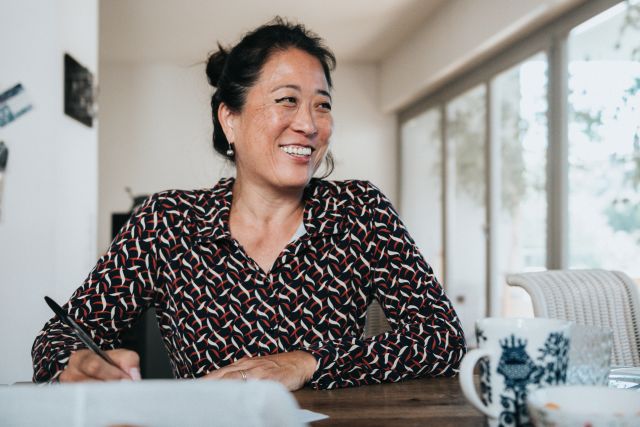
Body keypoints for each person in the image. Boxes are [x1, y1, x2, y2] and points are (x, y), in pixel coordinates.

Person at [32, 18, 466, 390]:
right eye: (287, 100)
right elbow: (55, 340)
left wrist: (309, 363)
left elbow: (442, 337)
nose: (309, 124)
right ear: (230, 118)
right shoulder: (166, 221)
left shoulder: (359, 211)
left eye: (322, 105)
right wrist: (76, 366)